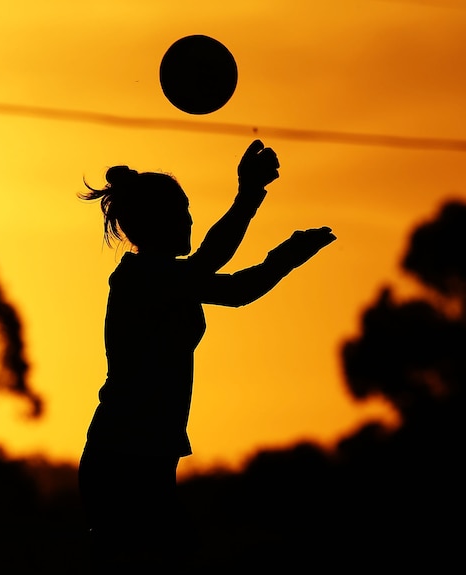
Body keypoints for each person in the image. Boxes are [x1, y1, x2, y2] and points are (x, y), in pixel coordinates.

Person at [77, 140, 336, 572]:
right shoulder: (141, 279)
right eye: (181, 212)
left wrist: (285, 258)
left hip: (144, 454)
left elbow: (236, 290)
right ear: (155, 222)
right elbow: (212, 261)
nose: (191, 220)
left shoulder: (167, 279)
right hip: (124, 457)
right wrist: (248, 196)